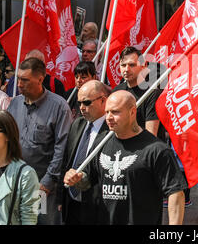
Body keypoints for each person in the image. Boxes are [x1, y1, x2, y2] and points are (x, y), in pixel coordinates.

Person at [64, 90, 187, 225]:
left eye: (115, 112)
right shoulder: (101, 144)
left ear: (132, 112)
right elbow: (88, 180)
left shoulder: (157, 150)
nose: (109, 117)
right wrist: (77, 178)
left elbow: (176, 193)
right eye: (107, 112)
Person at [7, 57, 73, 225]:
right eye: (18, 79)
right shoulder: (14, 104)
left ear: (40, 79)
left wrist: (46, 184)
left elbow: (62, 148)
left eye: (24, 80)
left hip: (43, 188)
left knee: (41, 221)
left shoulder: (59, 107)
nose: (19, 84)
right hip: (15, 184)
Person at [59, 80, 110, 225]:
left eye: (87, 102)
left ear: (103, 100)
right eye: (79, 102)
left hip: (96, 206)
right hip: (71, 203)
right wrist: (61, 197)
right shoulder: (78, 124)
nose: (82, 107)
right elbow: (67, 160)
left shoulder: (112, 130)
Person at [112, 47, 164, 139]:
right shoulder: (117, 91)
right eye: (123, 65)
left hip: (144, 148)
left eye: (132, 65)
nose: (126, 69)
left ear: (143, 66)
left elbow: (151, 135)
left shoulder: (152, 93)